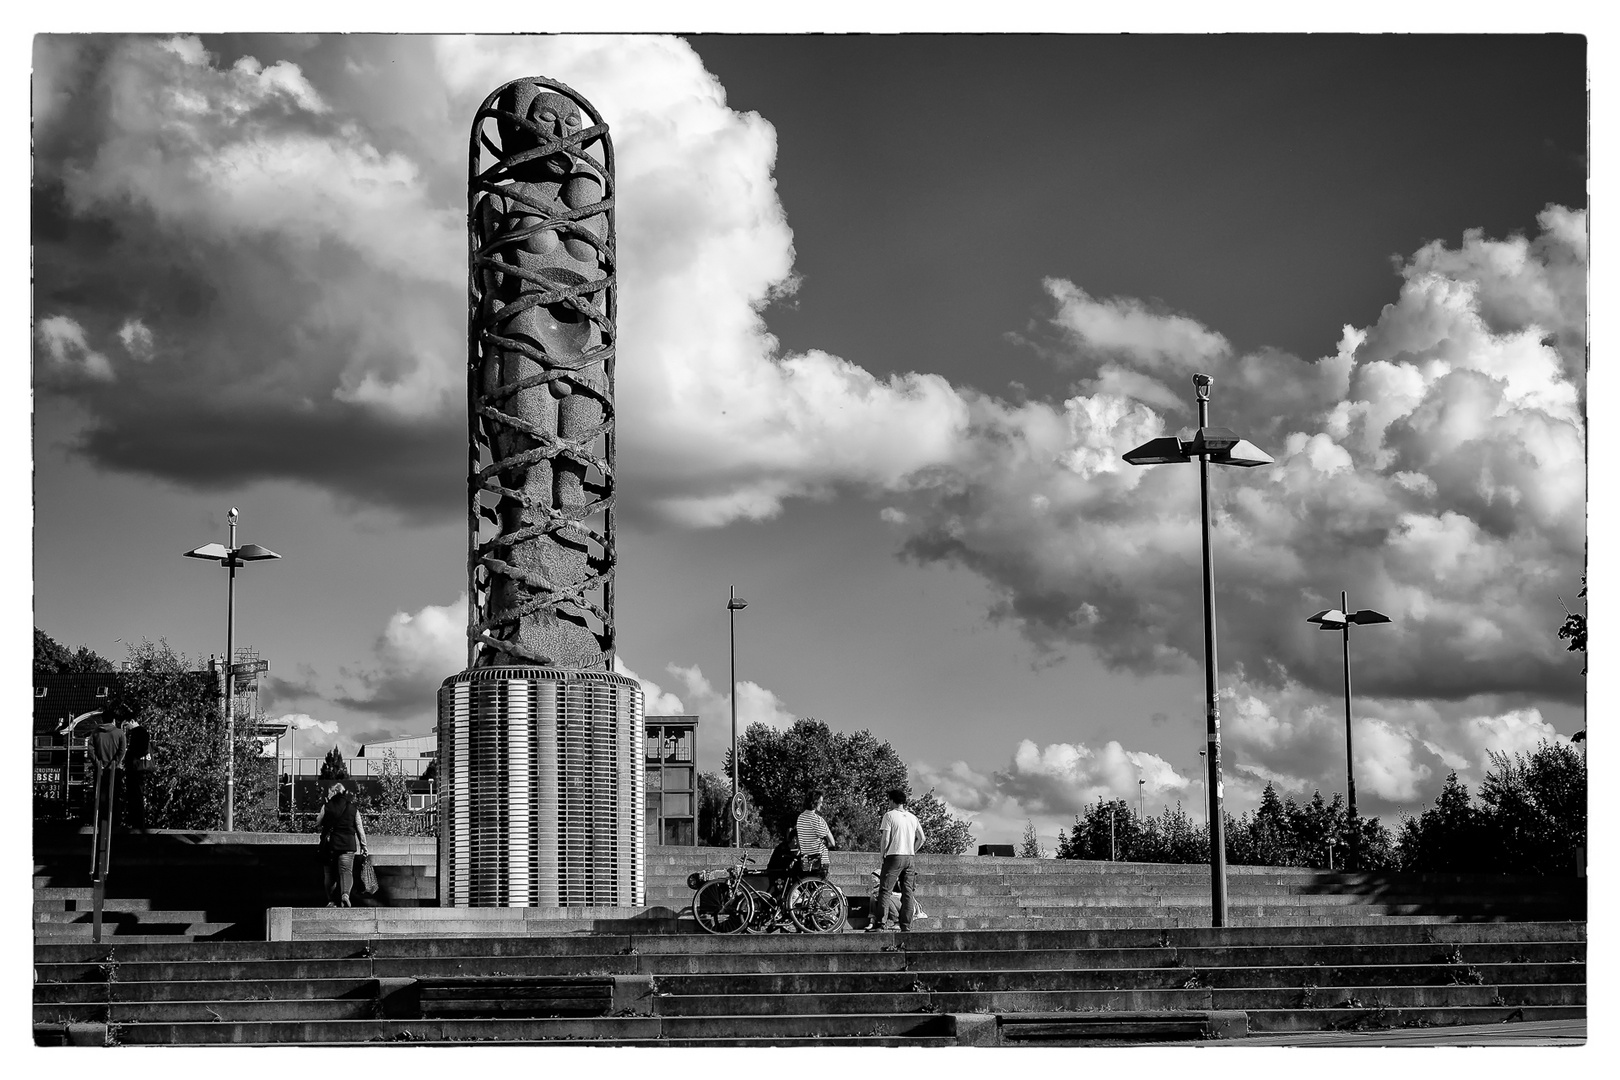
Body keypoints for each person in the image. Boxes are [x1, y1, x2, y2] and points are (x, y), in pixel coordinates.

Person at [867, 787, 925, 932]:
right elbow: (922, 838)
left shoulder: (889, 815)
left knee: (885, 890)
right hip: (909, 857)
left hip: (894, 856)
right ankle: (906, 925)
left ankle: (881, 923)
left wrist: (883, 854)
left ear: (892, 801)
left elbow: (886, 838)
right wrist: (912, 850)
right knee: (908, 892)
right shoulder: (913, 817)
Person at [313, 780, 367, 907]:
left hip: (330, 846)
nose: (328, 794)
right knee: (346, 872)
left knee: (329, 874)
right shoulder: (353, 808)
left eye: (329, 792)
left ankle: (331, 901)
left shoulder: (326, 807)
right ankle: (345, 895)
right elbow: (360, 829)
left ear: (334, 792)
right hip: (348, 846)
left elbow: (318, 822)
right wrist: (364, 846)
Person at [793, 790, 836, 878]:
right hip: (819, 862)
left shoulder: (800, 818)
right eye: (820, 802)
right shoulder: (817, 819)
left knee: (807, 884)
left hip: (805, 860)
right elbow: (832, 843)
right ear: (815, 802)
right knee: (819, 885)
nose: (821, 805)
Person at [124, 719, 152, 830]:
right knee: (136, 795)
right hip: (136, 768)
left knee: (135, 795)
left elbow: (142, 749)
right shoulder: (141, 732)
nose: (126, 727)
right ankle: (137, 822)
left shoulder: (138, 732)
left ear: (132, 721)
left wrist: (131, 755)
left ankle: (137, 823)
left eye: (127, 724)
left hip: (136, 768)